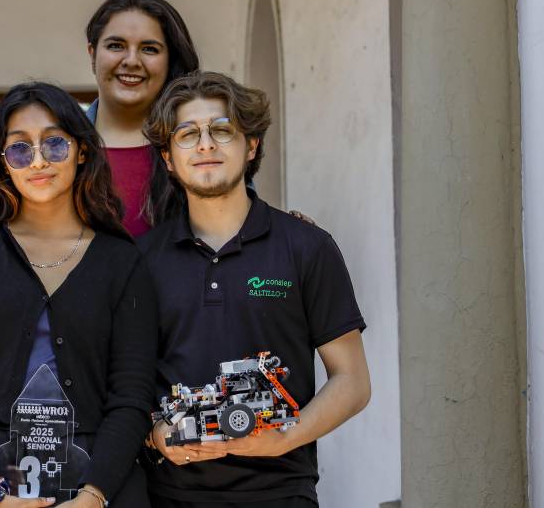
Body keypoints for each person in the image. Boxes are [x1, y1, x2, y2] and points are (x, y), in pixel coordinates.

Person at [137, 72, 371, 507]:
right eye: (188, 134)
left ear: (251, 146)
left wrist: (285, 437)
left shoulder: (307, 247)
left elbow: (352, 381)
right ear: (168, 158)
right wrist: (154, 435)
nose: (205, 145)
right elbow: (122, 382)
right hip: (166, 496)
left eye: (222, 130)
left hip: (281, 494)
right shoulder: (141, 260)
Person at [0, 82, 158, 508]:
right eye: (19, 148)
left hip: (100, 485)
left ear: (81, 150)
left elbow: (132, 394)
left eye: (54, 143)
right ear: (2, 162)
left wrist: (93, 496)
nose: (38, 160)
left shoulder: (122, 261)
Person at [83, 0, 200, 236]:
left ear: (169, 60)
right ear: (92, 54)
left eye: (149, 49)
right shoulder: (58, 149)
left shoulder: (203, 147)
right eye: (116, 46)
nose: (132, 61)